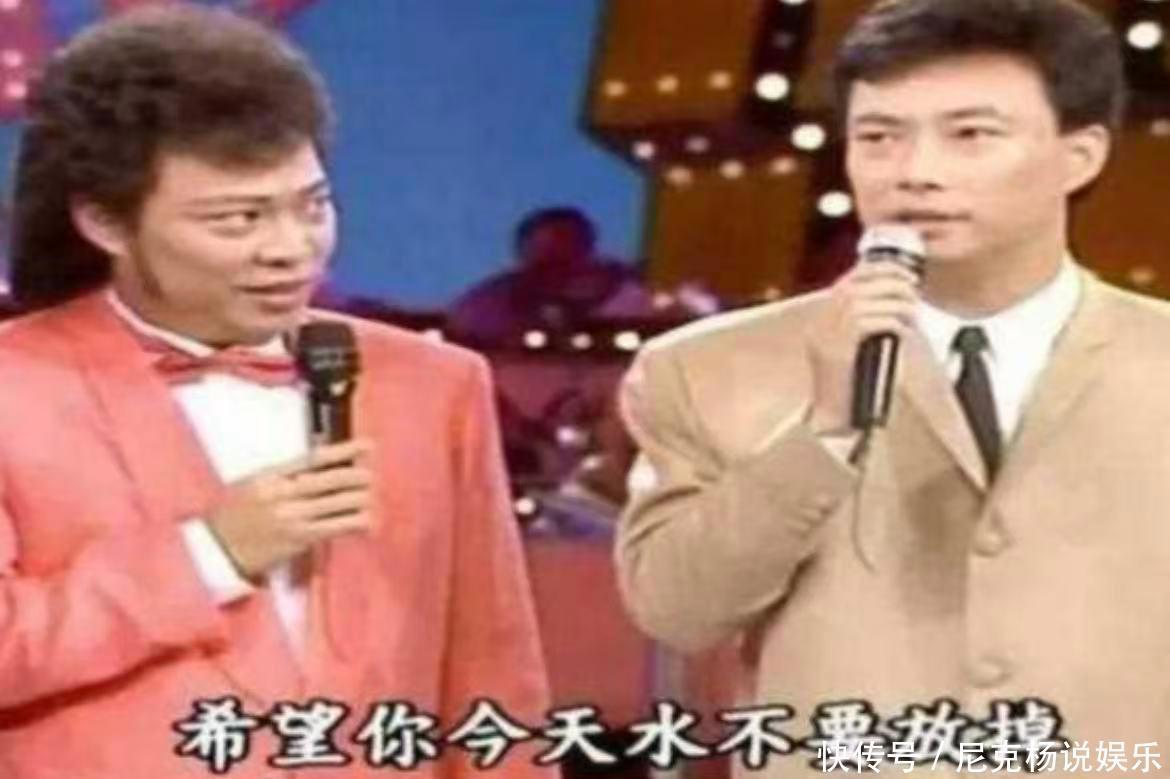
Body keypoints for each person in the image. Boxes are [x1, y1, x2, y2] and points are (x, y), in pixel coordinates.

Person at [616, 0, 1170, 775]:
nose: (915, 172)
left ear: (1080, 156)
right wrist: (824, 431)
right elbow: (678, 609)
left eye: (970, 135)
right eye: (879, 137)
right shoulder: (707, 368)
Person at [0, 7, 552, 778]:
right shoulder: (16, 386)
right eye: (238, 220)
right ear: (105, 223)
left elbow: (493, 673)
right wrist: (211, 552)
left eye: (312, 205)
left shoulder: (434, 385)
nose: (291, 249)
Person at [447, 207, 655, 347]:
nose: (558, 260)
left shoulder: (632, 300)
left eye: (568, 245)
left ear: (587, 249)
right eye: (545, 257)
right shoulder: (486, 304)